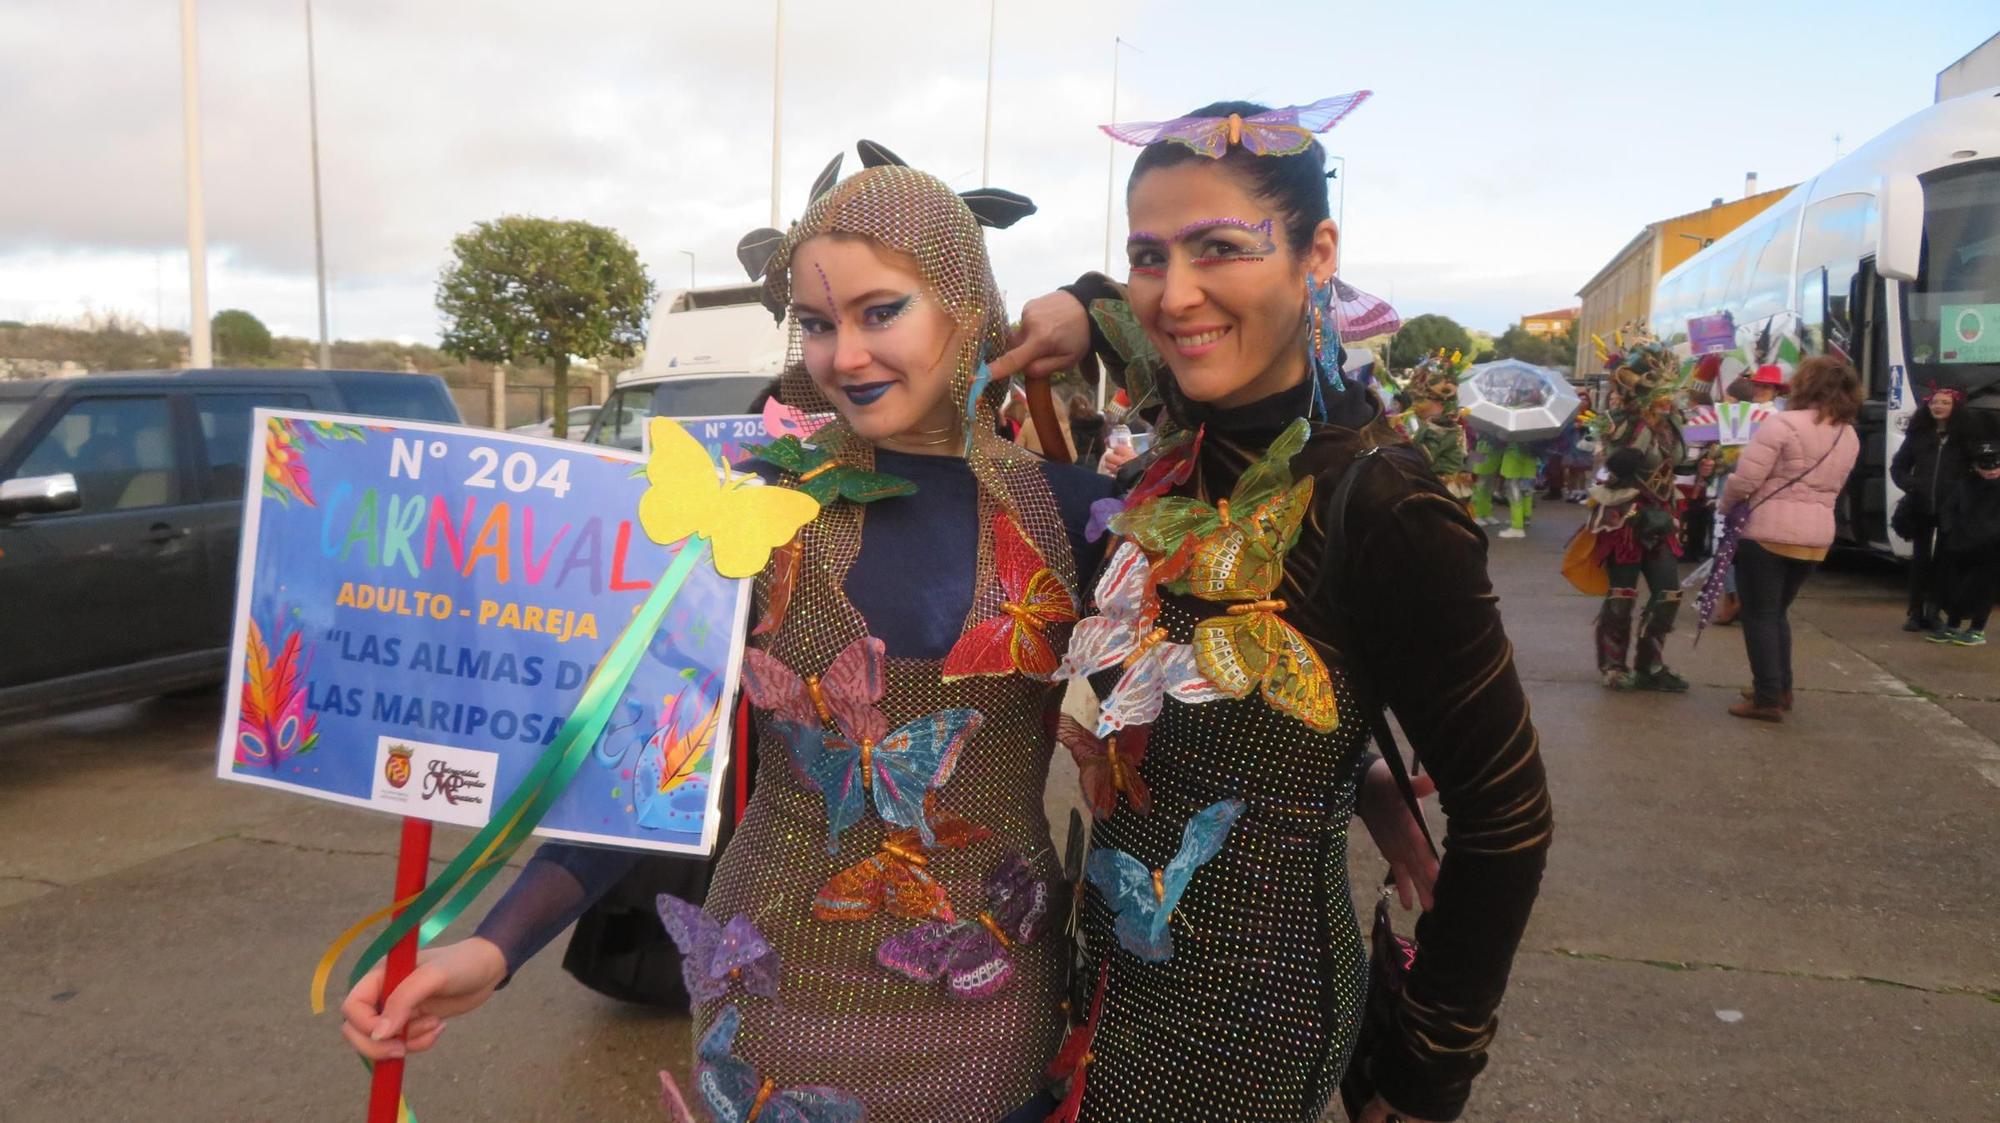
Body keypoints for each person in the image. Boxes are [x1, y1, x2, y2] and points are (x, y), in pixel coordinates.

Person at [996, 97, 1551, 1123]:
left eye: (1217, 246)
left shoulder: (1382, 502)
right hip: (1104, 982)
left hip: (1247, 1026)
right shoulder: (1178, 457)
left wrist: (1423, 1076)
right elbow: (1163, 327)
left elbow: (1507, 823)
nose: (1176, 291)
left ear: (1316, 252)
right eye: (1147, 255)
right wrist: (1085, 303)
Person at [1718, 355, 1863, 721]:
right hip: (1816, 536)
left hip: (1767, 532)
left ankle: (1766, 698)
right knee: (1777, 613)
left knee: (1759, 615)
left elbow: (1747, 479)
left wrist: (1726, 504)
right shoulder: (1848, 434)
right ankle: (1779, 688)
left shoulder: (1783, 423)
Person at [1585, 335, 1691, 691]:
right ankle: (1614, 665)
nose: (1667, 399)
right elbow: (1620, 462)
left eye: (1669, 391)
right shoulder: (1622, 421)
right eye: (1659, 392)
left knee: (1669, 593)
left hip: (1661, 515)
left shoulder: (1673, 423)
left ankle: (1650, 665)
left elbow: (1678, 461)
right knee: (1623, 592)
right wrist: (1644, 427)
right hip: (1625, 514)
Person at [1890, 387, 1967, 632]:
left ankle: (1935, 612)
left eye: (1945, 402)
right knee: (1920, 560)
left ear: (1955, 407)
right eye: (1935, 402)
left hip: (1950, 508)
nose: (1939, 406)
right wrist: (1911, 485)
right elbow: (1898, 467)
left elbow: (1974, 469)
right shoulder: (1918, 435)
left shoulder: (1963, 438)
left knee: (1945, 561)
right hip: (1921, 506)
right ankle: (1915, 612)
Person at [1929, 434, 2000, 646]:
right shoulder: (1965, 485)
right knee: (1956, 588)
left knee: (1983, 589)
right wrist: (1951, 532)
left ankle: (1977, 629)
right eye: (1985, 464)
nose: (1991, 469)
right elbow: (1948, 510)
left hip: (1993, 548)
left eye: (1996, 463)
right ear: (1975, 466)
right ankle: (1952, 625)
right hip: (1962, 545)